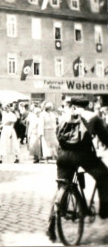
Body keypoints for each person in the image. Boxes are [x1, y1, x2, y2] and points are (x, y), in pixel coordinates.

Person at [47, 97, 108, 241]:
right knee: (104, 176)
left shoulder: (64, 116)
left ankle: (51, 226)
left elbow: (57, 135)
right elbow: (105, 138)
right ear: (87, 105)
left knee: (61, 186)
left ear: (73, 105)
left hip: (63, 157)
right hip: (83, 156)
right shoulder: (93, 116)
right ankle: (105, 209)